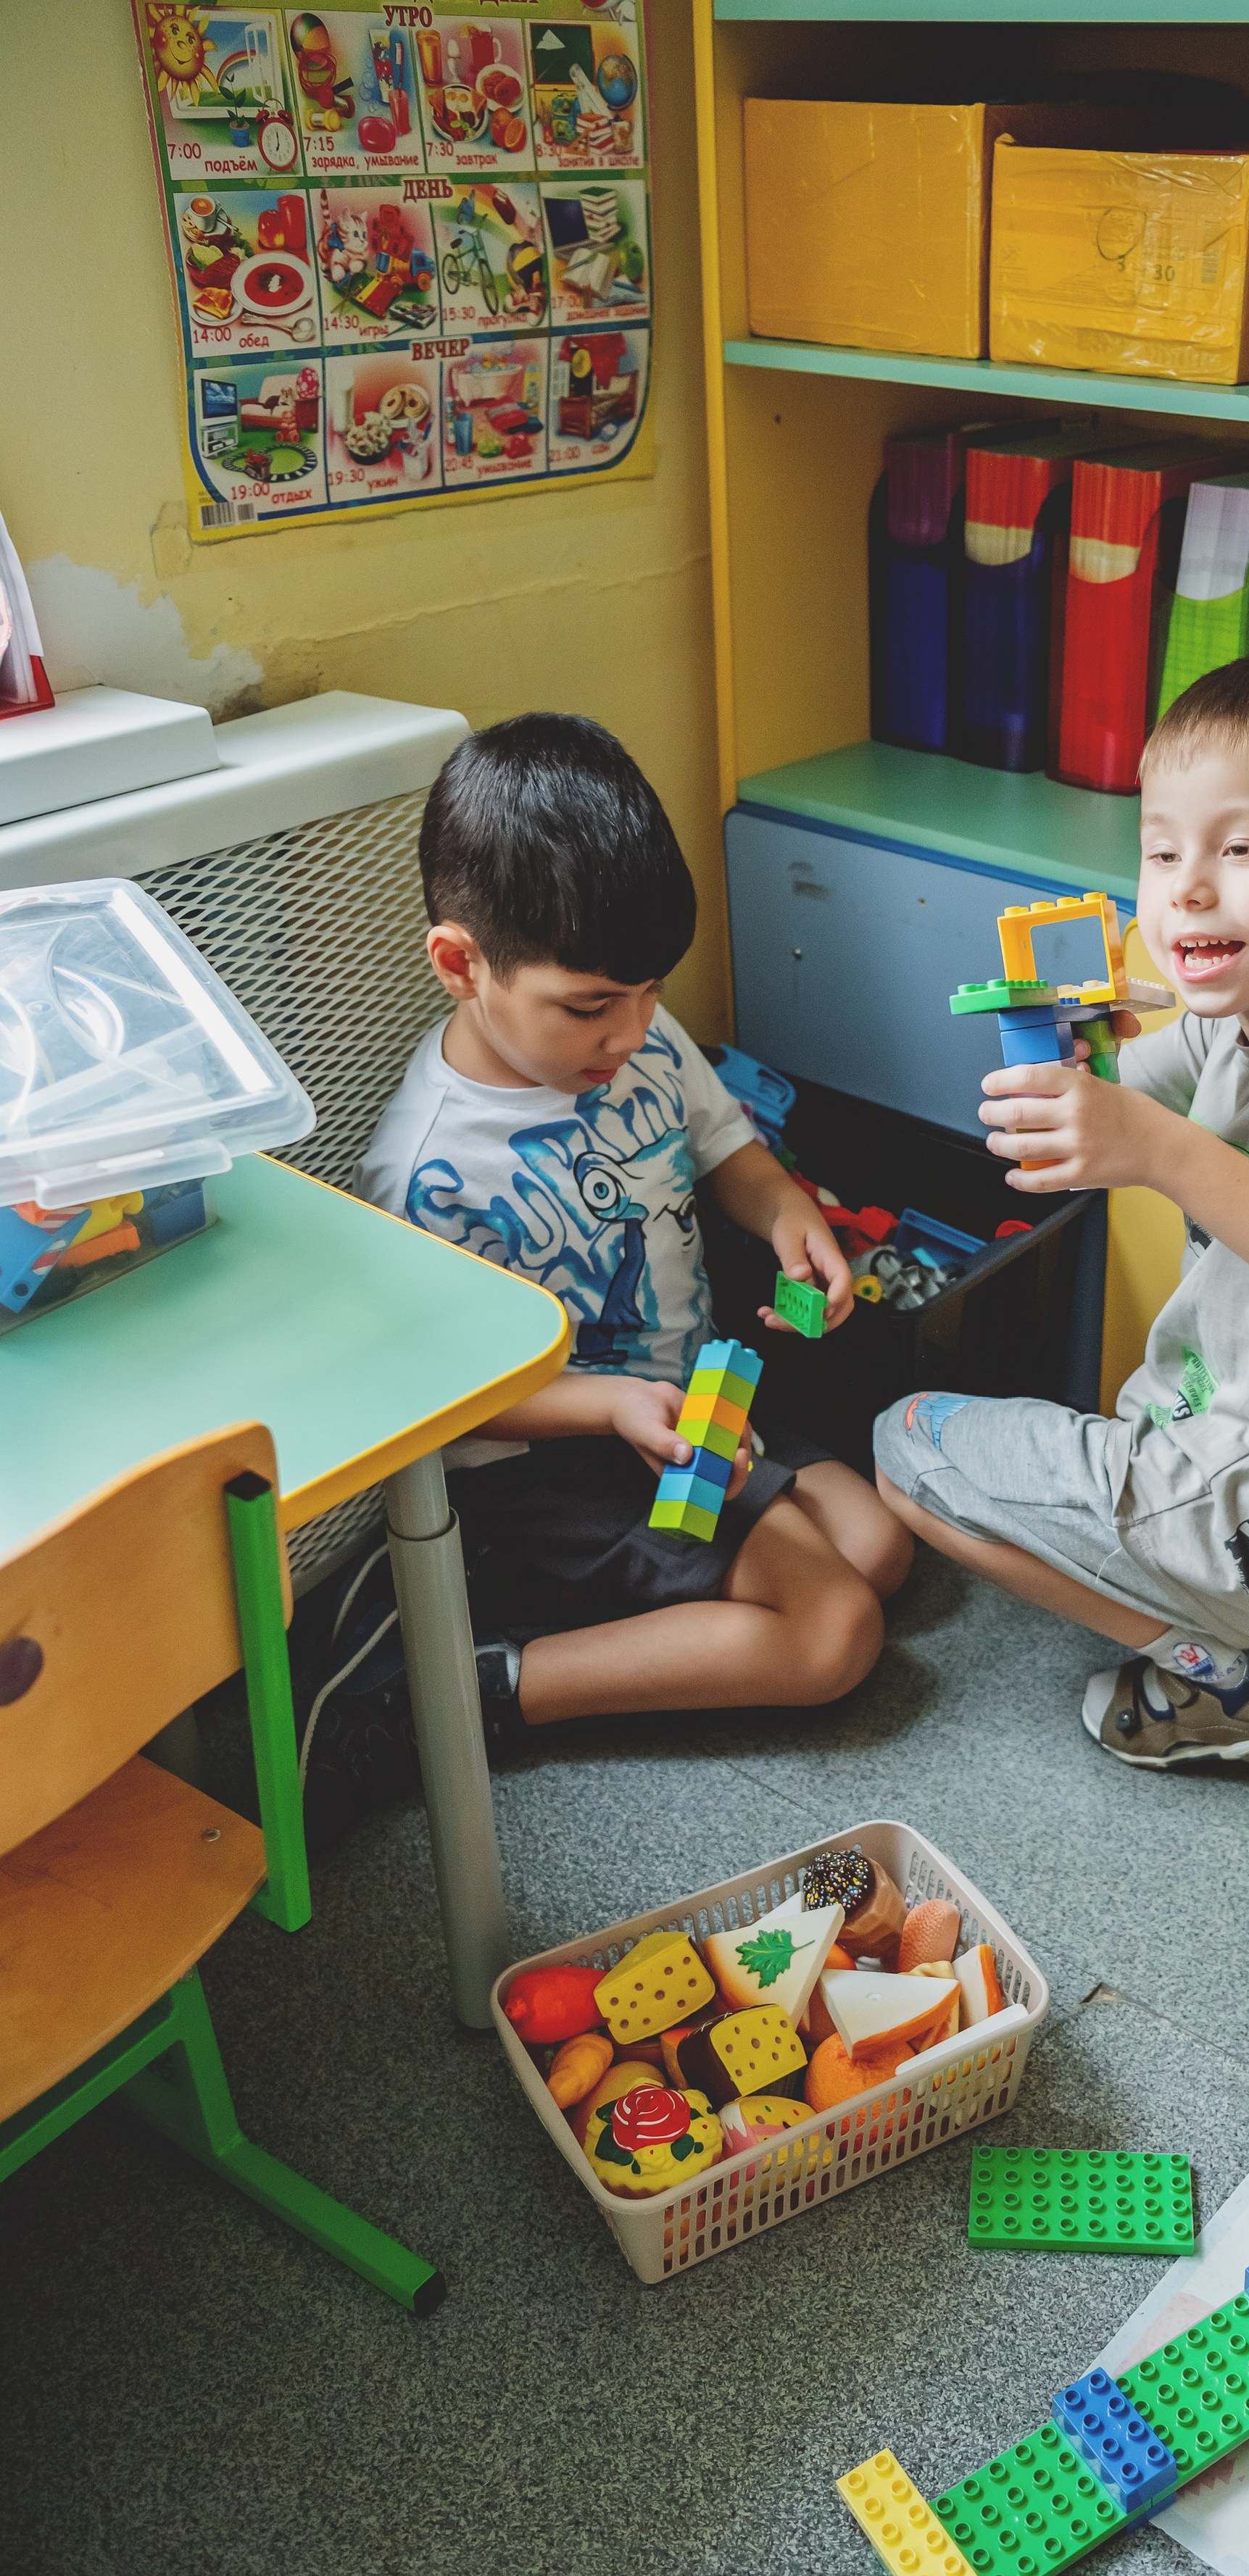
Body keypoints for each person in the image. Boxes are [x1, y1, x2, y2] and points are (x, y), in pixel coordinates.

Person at [872, 654, 1249, 1779]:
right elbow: (1100, 1104)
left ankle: (1230, 1676)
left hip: (1233, 1509)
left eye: (1241, 849)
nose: (1187, 890)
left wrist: (1159, 1148)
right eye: (1163, 851)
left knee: (903, 1445)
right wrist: (1074, 1057)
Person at [315, 712, 911, 1814]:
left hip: (686, 1407)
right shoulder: (427, 1171)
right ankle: (473, 1687)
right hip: (551, 1465)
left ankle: (636, 1618)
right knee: (838, 1627)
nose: (631, 1033)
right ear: (460, 963)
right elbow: (449, 1410)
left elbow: (724, 1146)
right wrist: (608, 1413)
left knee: (877, 1544)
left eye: (647, 996)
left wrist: (785, 1211)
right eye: (590, 1007)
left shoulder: (635, 1025)